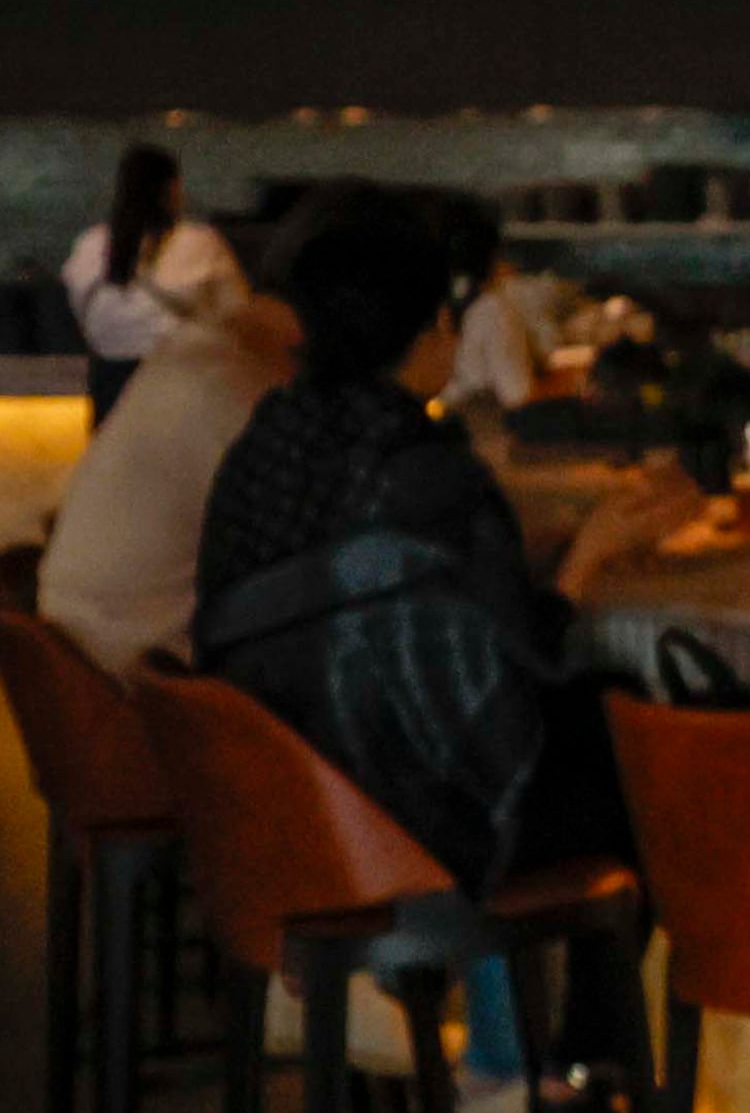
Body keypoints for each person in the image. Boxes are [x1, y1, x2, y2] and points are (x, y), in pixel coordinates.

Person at [193, 183, 700, 897]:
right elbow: (516, 666)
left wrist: (531, 546)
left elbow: (371, 594)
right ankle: (589, 1004)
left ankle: (510, 1005)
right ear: (434, 327)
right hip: (413, 822)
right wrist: (588, 558)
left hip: (276, 808)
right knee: (633, 749)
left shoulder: (265, 444)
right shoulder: (429, 473)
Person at [40, 273, 302, 675]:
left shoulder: (182, 361)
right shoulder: (228, 387)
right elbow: (286, 548)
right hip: (135, 673)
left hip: (79, 654)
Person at [62, 144, 245, 424]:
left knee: (117, 465)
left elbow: (81, 312)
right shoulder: (200, 241)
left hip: (110, 384)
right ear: (172, 188)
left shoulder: (90, 244)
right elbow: (236, 312)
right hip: (183, 381)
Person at [443, 199, 550, 414]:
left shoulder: (447, 303)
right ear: (494, 258)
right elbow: (516, 391)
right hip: (482, 428)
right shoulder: (492, 310)